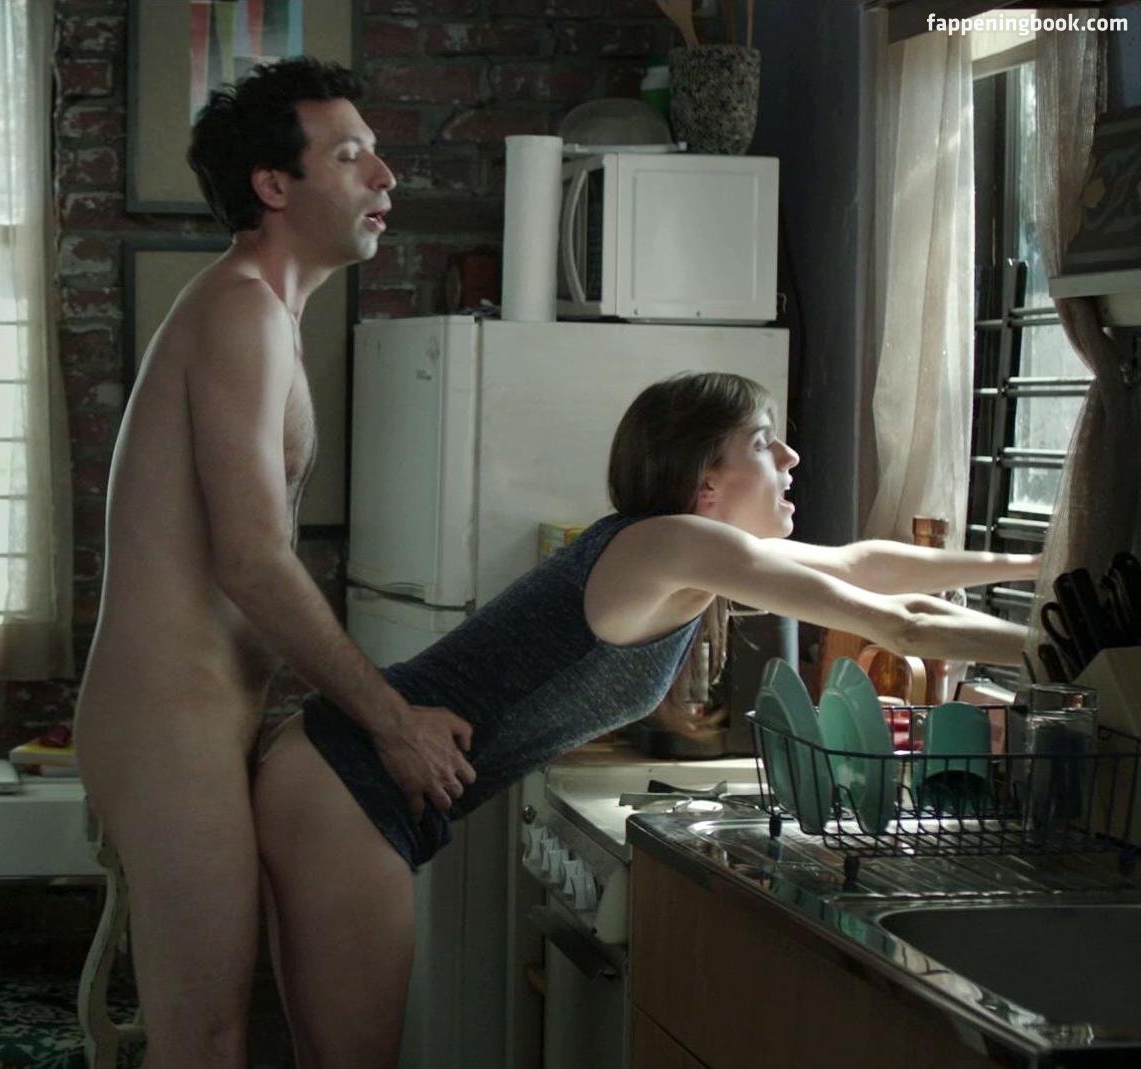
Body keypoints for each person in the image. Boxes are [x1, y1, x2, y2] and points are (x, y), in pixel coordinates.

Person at [249, 370, 1042, 1067]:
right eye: (763, 440)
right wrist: (1053, 649)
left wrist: (1035, 563)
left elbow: (862, 565)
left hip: (333, 776)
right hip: (346, 786)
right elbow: (900, 622)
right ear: (705, 479)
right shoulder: (673, 544)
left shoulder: (680, 551)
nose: (791, 456)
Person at [72, 57, 473, 1069]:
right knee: (203, 1041)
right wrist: (393, 721)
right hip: (166, 723)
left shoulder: (266, 315)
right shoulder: (242, 309)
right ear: (273, 185)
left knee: (219, 1035)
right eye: (350, 155)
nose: (384, 175)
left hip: (201, 717)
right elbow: (251, 560)